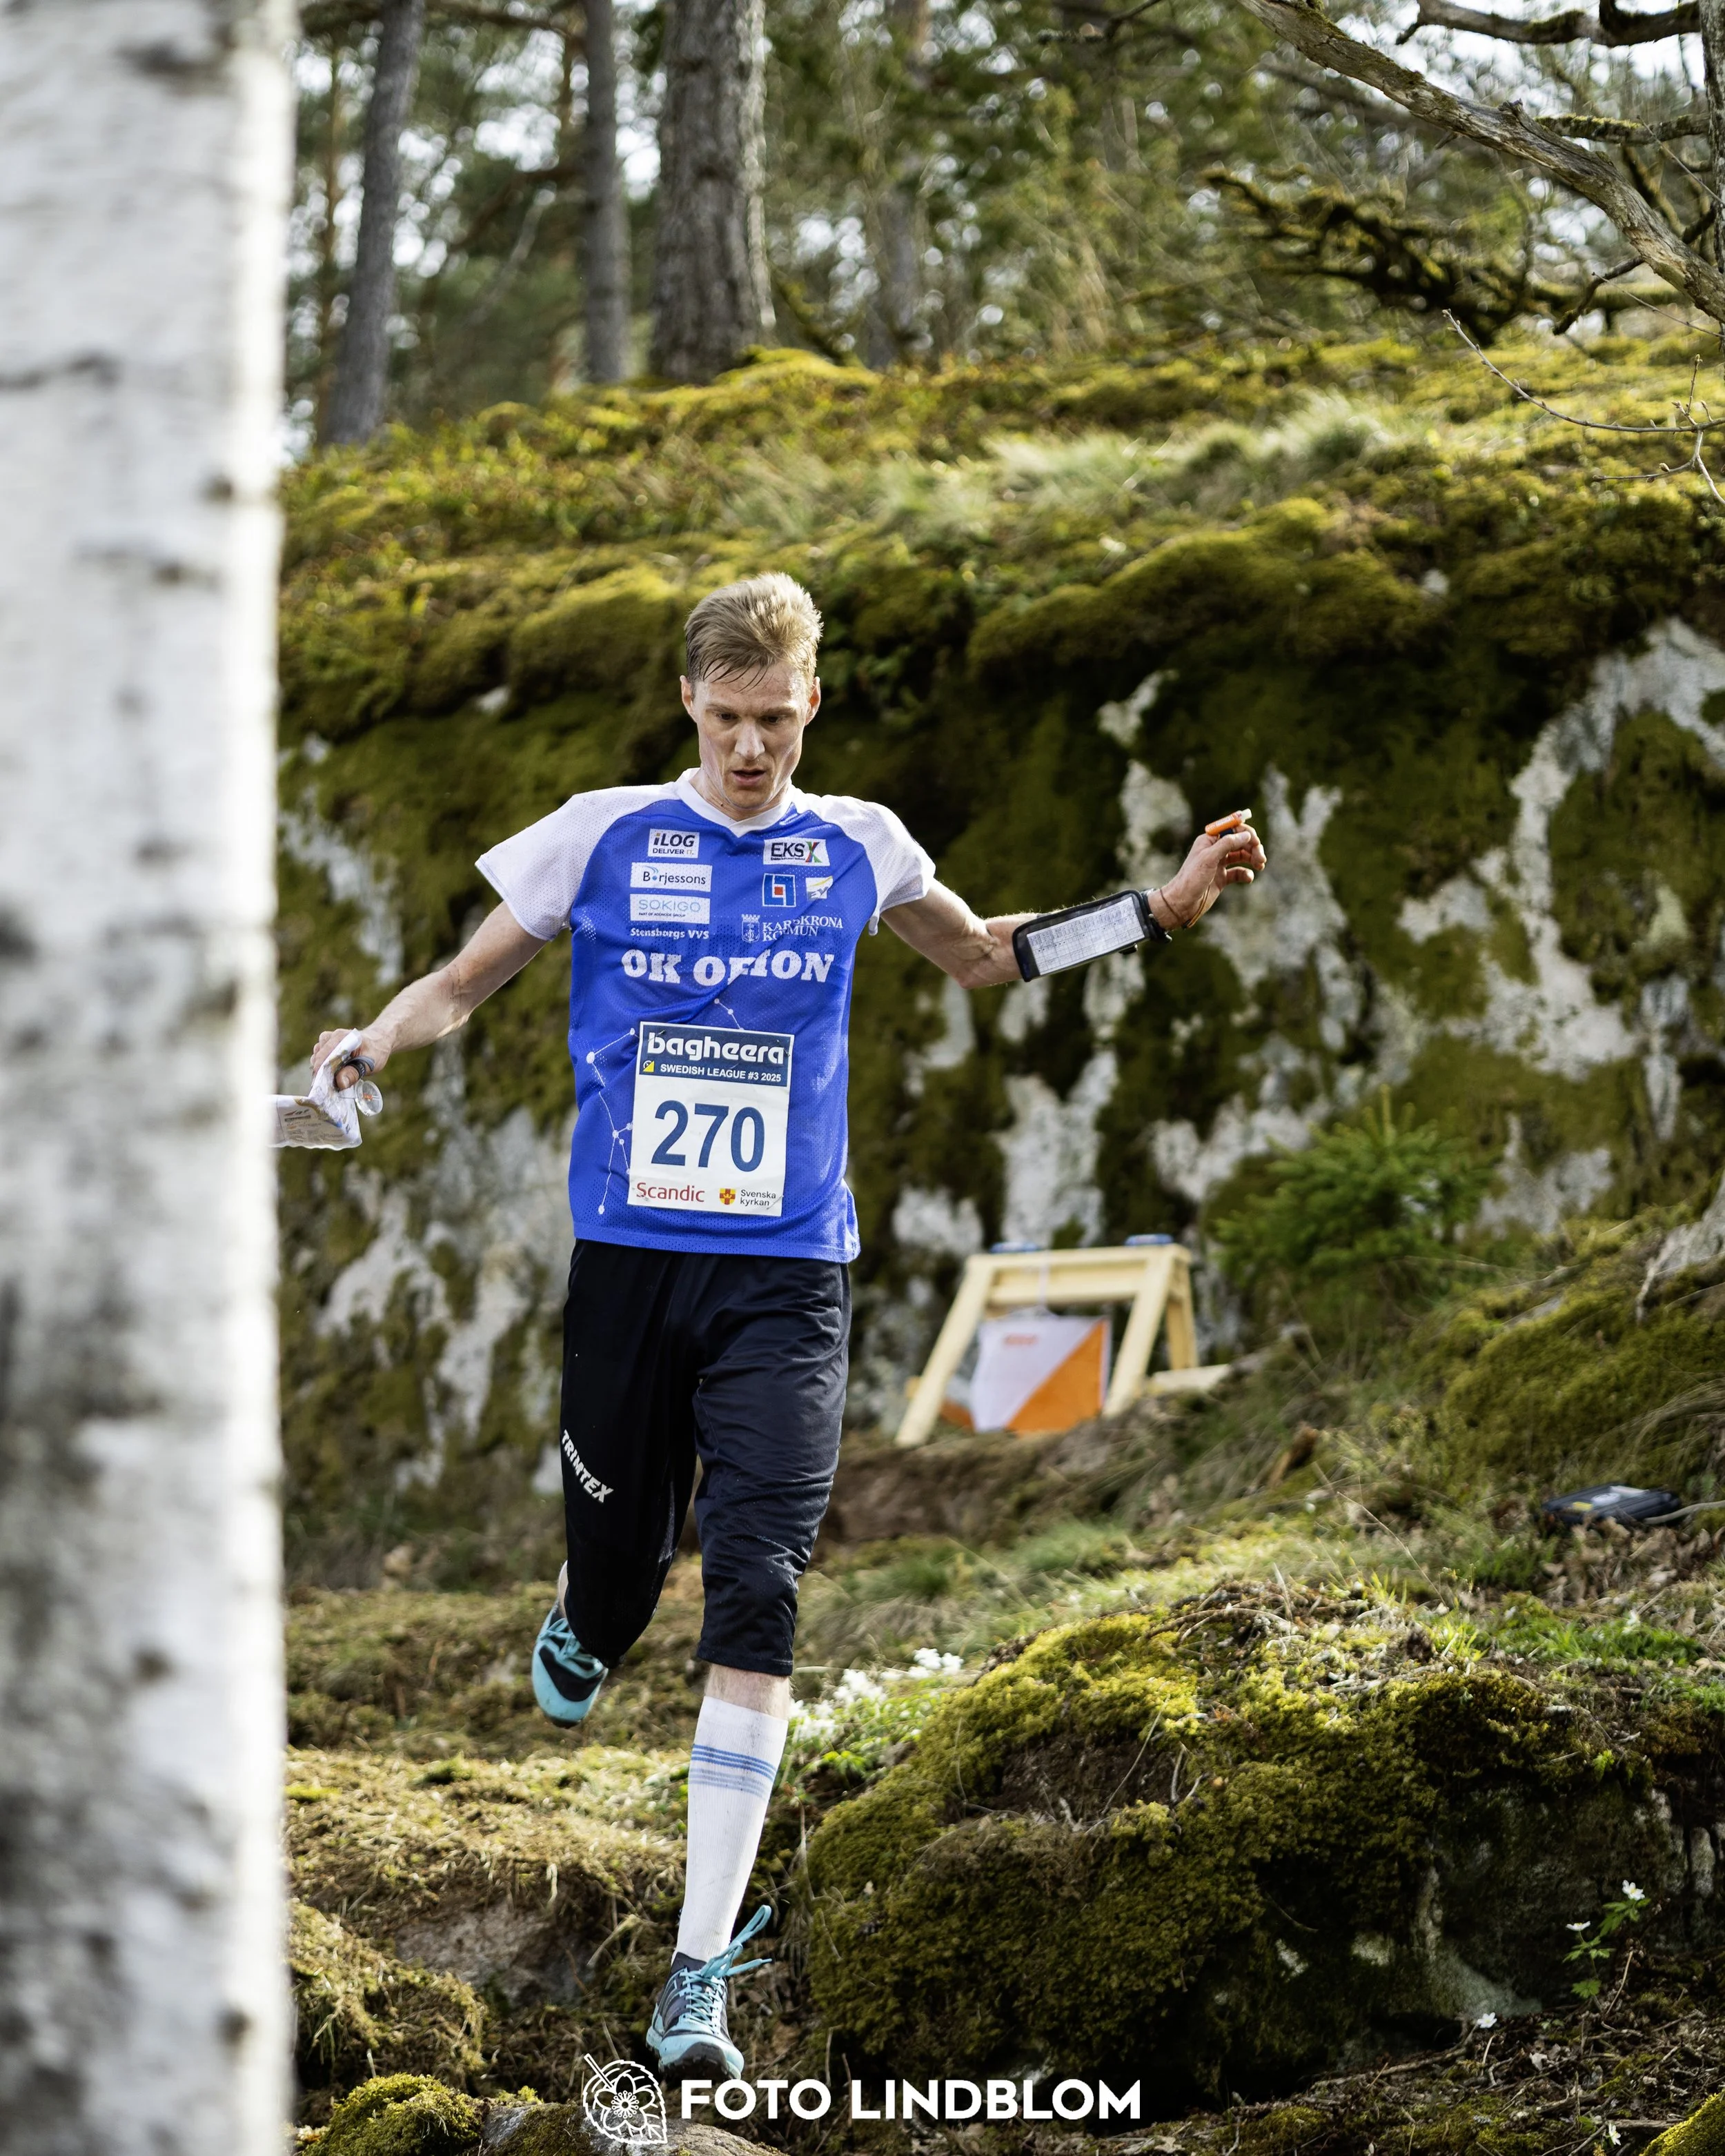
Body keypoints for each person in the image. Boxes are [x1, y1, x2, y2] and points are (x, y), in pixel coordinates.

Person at [310, 572, 1266, 2082]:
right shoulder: (601, 831)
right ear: (688, 704)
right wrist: (370, 1042)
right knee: (622, 1585)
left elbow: (981, 953)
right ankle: (591, 1608)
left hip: (788, 1272)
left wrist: (1152, 912)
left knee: (757, 1583)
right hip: (632, 1266)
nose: (752, 748)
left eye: (777, 719)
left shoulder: (858, 842)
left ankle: (696, 1977)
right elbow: (461, 981)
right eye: (727, 720)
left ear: (812, 701)